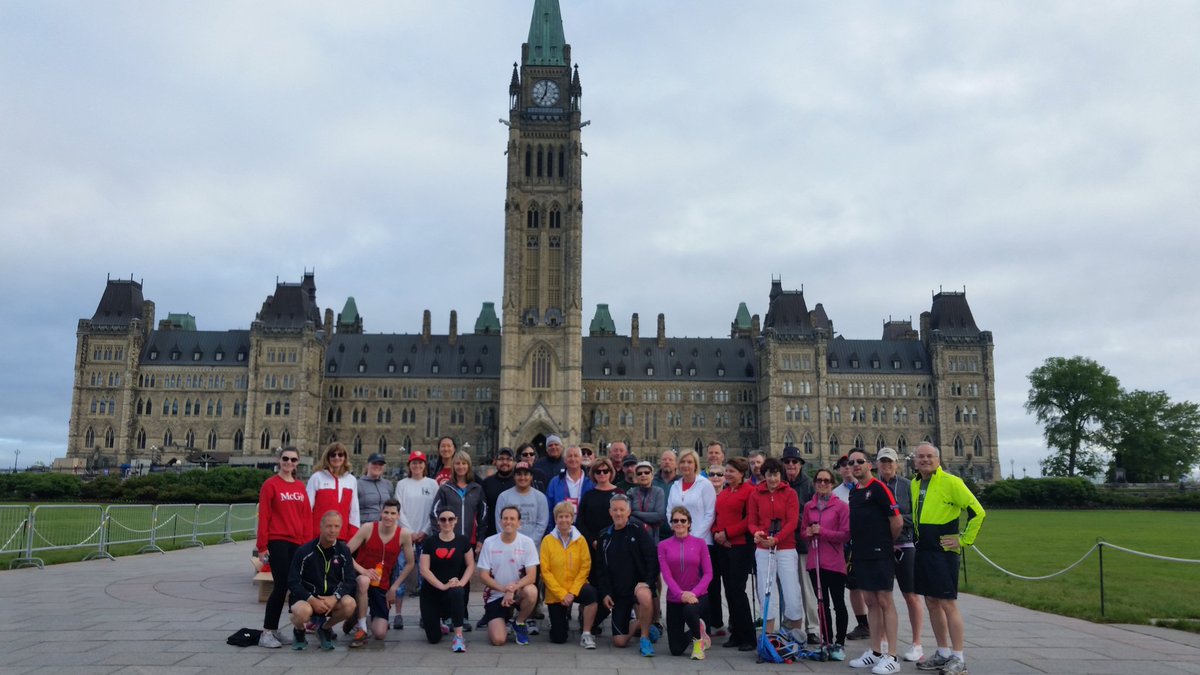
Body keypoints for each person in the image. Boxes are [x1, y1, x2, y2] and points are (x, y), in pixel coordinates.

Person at [911, 443, 986, 675]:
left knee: (947, 604)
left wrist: (964, 540)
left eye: (929, 456)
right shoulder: (915, 483)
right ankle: (943, 653)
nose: (925, 460)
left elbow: (977, 512)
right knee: (932, 603)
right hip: (924, 550)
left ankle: (959, 657)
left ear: (938, 459)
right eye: (920, 456)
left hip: (943, 552)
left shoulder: (952, 482)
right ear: (915, 461)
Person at [846, 449, 903, 674]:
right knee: (870, 600)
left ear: (869, 464)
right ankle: (875, 651)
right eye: (852, 462)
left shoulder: (880, 489)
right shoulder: (854, 492)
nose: (856, 465)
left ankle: (893, 656)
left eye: (860, 461)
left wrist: (884, 542)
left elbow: (896, 521)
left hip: (880, 552)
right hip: (861, 553)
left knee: (884, 600)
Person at [257, 447, 312, 648]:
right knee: (281, 586)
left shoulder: (299, 486)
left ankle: (279, 630)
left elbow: (306, 517)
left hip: (298, 543)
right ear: (279, 460)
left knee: (295, 586)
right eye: (286, 459)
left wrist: (307, 544)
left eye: (293, 459)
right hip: (278, 540)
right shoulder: (270, 485)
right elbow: (264, 516)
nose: (289, 462)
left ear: (298, 462)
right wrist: (262, 546)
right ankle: (267, 632)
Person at [595, 494, 660, 656]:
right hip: (619, 594)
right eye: (615, 510)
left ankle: (645, 638)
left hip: (637, 587)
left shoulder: (637, 530)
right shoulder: (604, 536)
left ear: (628, 511)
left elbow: (652, 558)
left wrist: (648, 582)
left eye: (622, 510)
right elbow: (600, 569)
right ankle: (644, 623)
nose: (618, 513)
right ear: (610, 512)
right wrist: (605, 593)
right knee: (619, 642)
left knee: (645, 595)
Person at [344, 499, 415, 647]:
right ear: (381, 513)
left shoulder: (404, 535)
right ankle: (362, 628)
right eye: (386, 512)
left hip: (381, 584)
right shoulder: (368, 528)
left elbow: (410, 563)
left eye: (393, 513)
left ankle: (356, 617)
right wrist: (363, 570)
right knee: (364, 581)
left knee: (380, 633)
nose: (389, 516)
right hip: (360, 579)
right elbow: (345, 553)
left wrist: (394, 587)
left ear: (398, 516)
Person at [876, 447, 924, 663]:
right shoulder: (872, 486)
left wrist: (893, 520)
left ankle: (916, 643)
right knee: (882, 596)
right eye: (882, 461)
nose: (886, 465)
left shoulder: (908, 486)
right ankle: (884, 640)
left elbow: (916, 515)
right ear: (877, 464)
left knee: (911, 595)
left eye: (890, 461)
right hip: (880, 547)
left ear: (897, 463)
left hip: (905, 544)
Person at [430, 450, 487, 632]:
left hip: (467, 542)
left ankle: (462, 615)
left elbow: (484, 516)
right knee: (447, 577)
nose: (461, 467)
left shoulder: (476, 489)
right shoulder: (445, 488)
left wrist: (480, 539)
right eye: (457, 463)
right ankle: (447, 615)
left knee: (465, 580)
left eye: (464, 463)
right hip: (447, 541)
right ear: (453, 466)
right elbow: (434, 513)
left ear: (469, 466)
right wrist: (439, 535)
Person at [747, 457, 803, 639]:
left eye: (776, 475)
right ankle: (769, 634)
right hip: (763, 548)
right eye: (769, 475)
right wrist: (758, 534)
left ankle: (796, 632)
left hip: (785, 547)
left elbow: (792, 521)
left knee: (791, 589)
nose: (773, 479)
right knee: (766, 589)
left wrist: (777, 539)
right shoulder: (756, 494)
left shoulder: (790, 493)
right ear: (764, 475)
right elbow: (752, 521)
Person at [494, 461, 551, 635]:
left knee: (531, 584)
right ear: (514, 476)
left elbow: (542, 522)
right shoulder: (504, 496)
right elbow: (499, 521)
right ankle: (507, 615)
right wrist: (509, 542)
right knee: (509, 581)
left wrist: (528, 544)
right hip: (508, 548)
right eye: (519, 474)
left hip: (532, 549)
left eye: (526, 474)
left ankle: (529, 617)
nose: (523, 477)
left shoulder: (539, 497)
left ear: (531, 476)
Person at [288, 511, 358, 651]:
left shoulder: (344, 551)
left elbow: (350, 580)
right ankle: (299, 630)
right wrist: (312, 599)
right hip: (307, 599)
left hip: (330, 601)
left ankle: (325, 628)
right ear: (320, 527)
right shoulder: (304, 551)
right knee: (302, 612)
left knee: (350, 604)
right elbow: (293, 581)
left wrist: (335, 597)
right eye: (329, 526)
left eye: (336, 526)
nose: (332, 530)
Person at [666, 449, 717, 636]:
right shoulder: (675, 486)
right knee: (681, 581)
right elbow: (669, 512)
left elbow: (710, 513)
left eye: (690, 462)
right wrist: (677, 532)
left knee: (701, 586)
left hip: (701, 542)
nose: (686, 465)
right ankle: (686, 624)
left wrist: (692, 537)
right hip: (677, 542)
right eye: (683, 462)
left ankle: (704, 628)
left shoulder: (705, 485)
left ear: (696, 464)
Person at [802, 468, 851, 661]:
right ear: (815, 483)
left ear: (832, 483)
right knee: (822, 604)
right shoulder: (809, 507)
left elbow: (846, 535)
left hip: (834, 563)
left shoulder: (841, 507)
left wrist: (822, 532)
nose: (823, 484)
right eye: (819, 480)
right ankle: (827, 641)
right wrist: (810, 533)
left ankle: (839, 642)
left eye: (827, 481)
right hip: (815, 563)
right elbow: (803, 532)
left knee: (838, 603)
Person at [478, 505, 540, 646]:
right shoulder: (489, 542)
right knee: (498, 640)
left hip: (518, 593)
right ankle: (503, 619)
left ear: (519, 523)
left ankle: (519, 622)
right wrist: (504, 590)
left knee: (531, 591)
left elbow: (531, 576)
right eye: (505, 518)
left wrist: (512, 589)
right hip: (496, 594)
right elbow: (483, 576)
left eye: (512, 519)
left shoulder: (527, 542)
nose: (508, 522)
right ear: (500, 521)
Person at [711, 456, 756, 651]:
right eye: (726, 471)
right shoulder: (724, 492)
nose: (727, 474)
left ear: (742, 473)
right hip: (722, 545)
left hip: (740, 546)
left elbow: (749, 519)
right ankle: (736, 633)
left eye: (731, 471)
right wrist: (716, 534)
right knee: (728, 591)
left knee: (738, 591)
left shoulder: (750, 492)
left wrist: (727, 534)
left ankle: (748, 636)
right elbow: (716, 516)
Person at [540, 501, 599, 647]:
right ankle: (559, 621)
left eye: (567, 516)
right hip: (556, 592)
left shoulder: (580, 540)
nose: (564, 520)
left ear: (572, 519)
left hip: (576, 587)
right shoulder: (547, 541)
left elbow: (585, 567)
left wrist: (572, 593)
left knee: (592, 594)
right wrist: (562, 594)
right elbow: (545, 571)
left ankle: (586, 633)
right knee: (559, 637)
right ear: (555, 519)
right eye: (560, 516)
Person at [658, 506, 714, 659]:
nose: (679, 524)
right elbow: (667, 575)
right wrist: (680, 594)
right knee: (675, 650)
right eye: (675, 520)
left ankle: (698, 644)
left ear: (689, 523)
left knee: (689, 610)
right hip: (675, 597)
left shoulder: (700, 543)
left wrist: (693, 594)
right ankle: (699, 628)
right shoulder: (663, 545)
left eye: (683, 520)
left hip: (698, 596)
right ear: (671, 523)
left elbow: (708, 574)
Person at [420, 507, 476, 652]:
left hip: (453, 590)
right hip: (432, 592)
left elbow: (470, 565)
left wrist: (461, 583)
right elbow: (424, 569)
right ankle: (440, 624)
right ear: (438, 522)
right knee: (433, 639)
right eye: (443, 519)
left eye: (450, 519)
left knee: (457, 591)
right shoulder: (430, 542)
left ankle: (458, 636)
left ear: (456, 520)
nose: (447, 522)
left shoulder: (463, 541)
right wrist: (442, 586)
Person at [394, 450, 438, 624]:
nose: (417, 466)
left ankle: (424, 614)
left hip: (426, 537)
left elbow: (434, 510)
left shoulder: (433, 484)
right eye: (414, 463)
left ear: (425, 465)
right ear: (409, 465)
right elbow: (399, 510)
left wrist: (425, 531)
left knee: (425, 578)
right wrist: (409, 532)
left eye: (420, 463)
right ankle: (398, 614)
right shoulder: (402, 484)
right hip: (405, 536)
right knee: (401, 573)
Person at [783, 445, 821, 645]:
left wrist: (791, 521)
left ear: (800, 464)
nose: (791, 465)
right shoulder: (780, 484)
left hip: (803, 545)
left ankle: (812, 628)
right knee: (789, 589)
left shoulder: (808, 485)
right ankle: (789, 625)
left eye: (794, 462)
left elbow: (812, 514)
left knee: (807, 590)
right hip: (784, 545)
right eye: (787, 462)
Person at [834, 454, 870, 640]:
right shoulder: (835, 493)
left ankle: (879, 624)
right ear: (839, 469)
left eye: (850, 464)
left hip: (867, 544)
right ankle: (863, 624)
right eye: (843, 465)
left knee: (871, 587)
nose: (847, 468)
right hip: (847, 546)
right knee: (854, 587)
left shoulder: (867, 487)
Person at [306, 443, 360, 541]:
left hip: (342, 536)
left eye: (340, 455)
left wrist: (352, 536)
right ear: (327, 457)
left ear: (345, 457)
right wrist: (307, 535)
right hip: (318, 536)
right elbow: (307, 509)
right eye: (333, 455)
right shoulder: (317, 477)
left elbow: (354, 511)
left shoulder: (351, 480)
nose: (336, 457)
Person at [481, 448, 517, 540]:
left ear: (514, 463)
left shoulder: (518, 482)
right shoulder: (487, 483)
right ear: (495, 462)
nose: (504, 462)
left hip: (515, 534)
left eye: (508, 459)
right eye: (501, 459)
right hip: (491, 534)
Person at [546, 445, 593, 512]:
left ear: (581, 459)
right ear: (565, 460)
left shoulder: (591, 481)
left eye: (576, 456)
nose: (573, 459)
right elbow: (549, 508)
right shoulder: (555, 483)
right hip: (562, 521)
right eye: (570, 456)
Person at [627, 460, 666, 538]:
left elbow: (659, 516)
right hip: (634, 537)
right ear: (636, 477)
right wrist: (646, 523)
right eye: (639, 473)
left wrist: (635, 513)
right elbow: (627, 516)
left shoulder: (658, 492)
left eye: (646, 472)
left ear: (652, 476)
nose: (643, 475)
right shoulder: (631, 492)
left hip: (652, 539)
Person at [358, 453, 393, 526]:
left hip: (384, 528)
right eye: (374, 463)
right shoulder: (358, 484)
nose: (377, 466)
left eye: (380, 464)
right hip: (364, 528)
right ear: (367, 465)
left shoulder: (388, 484)